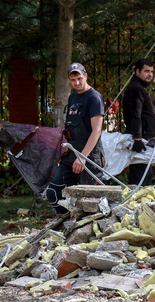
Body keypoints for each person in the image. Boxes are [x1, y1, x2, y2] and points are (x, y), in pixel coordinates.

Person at [45, 63, 105, 214]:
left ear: (85, 76)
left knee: (89, 201)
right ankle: (66, 224)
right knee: (53, 192)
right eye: (73, 80)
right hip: (71, 155)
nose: (77, 83)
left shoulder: (94, 98)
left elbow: (96, 131)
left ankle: (89, 231)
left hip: (89, 157)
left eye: (79, 78)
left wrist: (82, 157)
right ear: (69, 80)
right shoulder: (73, 97)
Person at [123, 58, 155, 186]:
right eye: (146, 71)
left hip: (144, 137)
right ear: (137, 71)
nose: (150, 74)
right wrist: (137, 139)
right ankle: (138, 202)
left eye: (151, 71)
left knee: (145, 173)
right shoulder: (136, 89)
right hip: (140, 139)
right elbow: (135, 114)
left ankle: (141, 201)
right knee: (140, 176)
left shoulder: (140, 87)